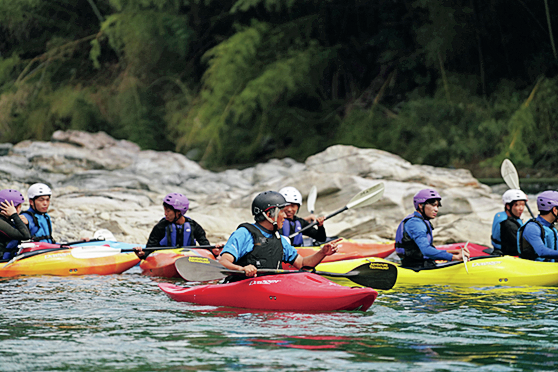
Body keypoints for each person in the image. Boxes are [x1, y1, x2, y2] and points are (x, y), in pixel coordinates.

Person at [219, 191, 340, 278]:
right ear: (269, 214)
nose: (285, 215)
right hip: (242, 286)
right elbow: (223, 262)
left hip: (271, 287)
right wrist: (242, 269)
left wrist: (322, 253)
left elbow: (302, 263)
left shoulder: (279, 239)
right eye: (281, 211)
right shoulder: (244, 233)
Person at [395, 189, 469, 268]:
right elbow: (426, 251)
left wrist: (455, 252)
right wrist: (454, 257)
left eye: (437, 206)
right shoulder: (415, 224)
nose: (436, 209)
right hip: (417, 267)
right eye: (433, 205)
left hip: (421, 264)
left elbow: (425, 250)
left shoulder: (420, 221)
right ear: (420, 205)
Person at [134, 193, 222, 259]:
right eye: (165, 211)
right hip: (165, 257)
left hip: (187, 258)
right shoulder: (160, 227)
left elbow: (205, 246)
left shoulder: (194, 226)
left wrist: (215, 252)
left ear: (178, 212)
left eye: (168, 211)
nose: (165, 214)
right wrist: (142, 254)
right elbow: (149, 249)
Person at [517, 190, 558, 261]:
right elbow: (542, 252)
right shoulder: (532, 228)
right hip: (532, 269)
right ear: (554, 210)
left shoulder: (551, 228)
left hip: (548, 266)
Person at [490, 189, 527, 256]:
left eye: (523, 204)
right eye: (517, 205)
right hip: (507, 255)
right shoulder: (509, 225)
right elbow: (523, 246)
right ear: (508, 206)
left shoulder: (502, 215)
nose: (521, 208)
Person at [0, 189, 31, 260]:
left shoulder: (7, 220)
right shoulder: (1, 223)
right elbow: (25, 236)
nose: (20, 210)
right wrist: (15, 215)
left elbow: (27, 240)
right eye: (19, 207)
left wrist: (26, 225)